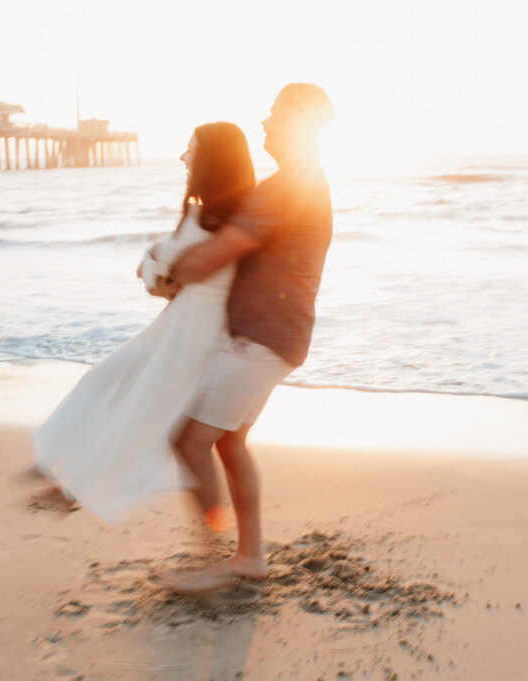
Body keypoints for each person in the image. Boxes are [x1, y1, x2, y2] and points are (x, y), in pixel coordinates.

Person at [30, 122, 256, 522]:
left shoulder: (202, 217)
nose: (183, 157)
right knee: (122, 391)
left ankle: (73, 481)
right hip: (197, 327)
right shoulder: (240, 216)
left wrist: (151, 261)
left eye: (191, 149)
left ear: (211, 160)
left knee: (135, 405)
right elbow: (172, 271)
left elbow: (155, 274)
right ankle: (68, 474)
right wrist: (160, 266)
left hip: (189, 332)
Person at [160, 83, 334, 593]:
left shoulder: (288, 187)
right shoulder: (299, 182)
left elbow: (214, 257)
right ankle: (249, 556)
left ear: (300, 122)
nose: (264, 123)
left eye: (275, 113)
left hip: (263, 338)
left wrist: (169, 269)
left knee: (190, 439)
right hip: (277, 336)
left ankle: (213, 552)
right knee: (231, 441)